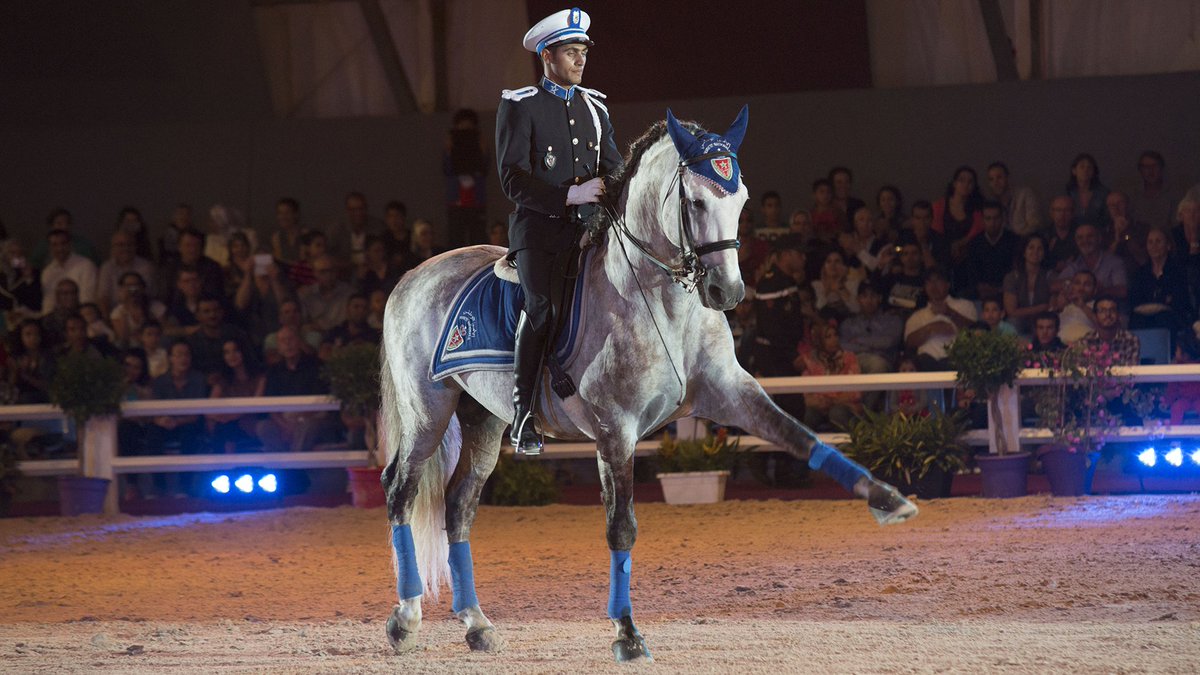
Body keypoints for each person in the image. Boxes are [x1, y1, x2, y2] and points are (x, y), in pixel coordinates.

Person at [496, 6, 621, 454]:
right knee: (542, 307)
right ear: (547, 56)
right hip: (539, 232)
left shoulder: (595, 107)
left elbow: (614, 171)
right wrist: (571, 194)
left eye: (583, 51)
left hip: (589, 233)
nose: (580, 60)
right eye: (571, 52)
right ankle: (523, 413)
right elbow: (513, 178)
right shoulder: (521, 104)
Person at [255, 326, 338, 452]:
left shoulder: (317, 366)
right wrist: (284, 425)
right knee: (263, 427)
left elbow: (321, 401)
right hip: (283, 419)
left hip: (311, 416)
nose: (288, 344)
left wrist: (298, 421)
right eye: (283, 341)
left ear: (299, 341)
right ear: (279, 347)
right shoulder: (273, 371)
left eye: (291, 339)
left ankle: (294, 469)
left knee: (308, 426)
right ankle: (285, 465)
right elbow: (270, 405)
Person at [903, 267, 977, 371]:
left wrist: (949, 312)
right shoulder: (917, 315)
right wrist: (930, 328)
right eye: (929, 282)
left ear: (948, 284)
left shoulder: (965, 305)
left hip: (957, 360)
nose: (933, 286)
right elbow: (909, 343)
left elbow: (974, 332)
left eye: (938, 280)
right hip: (925, 362)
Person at [1128, 227, 1194, 341]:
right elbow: (1134, 301)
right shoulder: (1141, 273)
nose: (1154, 246)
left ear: (1168, 246)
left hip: (1171, 319)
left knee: (1164, 319)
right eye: (1150, 242)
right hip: (1143, 319)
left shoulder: (1178, 272)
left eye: (1158, 241)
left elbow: (1180, 301)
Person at [795, 321, 862, 431]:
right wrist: (821, 402)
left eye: (835, 335)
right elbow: (807, 393)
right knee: (810, 415)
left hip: (846, 405)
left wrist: (832, 401)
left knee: (836, 413)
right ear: (820, 341)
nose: (834, 340)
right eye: (828, 337)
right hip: (821, 405)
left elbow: (856, 392)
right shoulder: (811, 361)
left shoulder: (849, 358)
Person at [207, 339, 266, 453]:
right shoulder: (222, 380)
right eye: (227, 352)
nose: (231, 356)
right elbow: (209, 409)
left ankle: (227, 465)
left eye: (235, 351)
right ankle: (223, 466)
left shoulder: (259, 377)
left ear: (244, 352)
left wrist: (232, 415)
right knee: (222, 426)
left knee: (226, 427)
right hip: (226, 422)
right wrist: (223, 417)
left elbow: (256, 405)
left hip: (250, 421)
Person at [444, 108, 490, 247]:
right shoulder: (452, 146)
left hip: (476, 201)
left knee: (478, 238)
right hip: (456, 201)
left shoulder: (479, 145)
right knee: (456, 240)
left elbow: (485, 170)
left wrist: (484, 150)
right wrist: (448, 150)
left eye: (469, 128)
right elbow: (447, 170)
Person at [960, 201, 1019, 300]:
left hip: (1006, 291)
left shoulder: (1014, 241)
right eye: (988, 218)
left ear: (1002, 219)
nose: (992, 223)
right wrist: (981, 287)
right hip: (981, 291)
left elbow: (1016, 271)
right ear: (982, 220)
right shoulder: (975, 243)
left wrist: (1000, 289)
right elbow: (971, 273)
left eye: (996, 218)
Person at [1056, 222, 1128, 300]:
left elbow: (1122, 290)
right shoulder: (1075, 264)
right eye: (1080, 238)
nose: (1085, 241)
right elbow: (1053, 286)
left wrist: (1098, 290)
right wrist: (1073, 282)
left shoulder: (1114, 262)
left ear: (1099, 238)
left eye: (1090, 236)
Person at [96, 230, 157, 315]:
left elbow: (145, 294)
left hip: (142, 311)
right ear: (113, 248)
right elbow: (103, 297)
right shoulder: (107, 267)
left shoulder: (145, 266)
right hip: (113, 313)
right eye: (120, 245)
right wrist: (107, 321)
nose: (125, 248)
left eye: (130, 244)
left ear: (136, 247)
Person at [931, 166, 985, 263]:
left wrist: (962, 243)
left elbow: (978, 231)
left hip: (970, 256)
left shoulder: (978, 208)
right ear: (954, 183)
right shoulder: (939, 206)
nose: (966, 185)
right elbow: (935, 232)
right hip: (942, 254)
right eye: (962, 180)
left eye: (970, 182)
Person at [1002, 234, 1053, 335]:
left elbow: (1052, 306)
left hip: (1042, 321)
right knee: (1012, 323)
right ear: (1024, 252)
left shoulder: (1050, 276)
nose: (1035, 252)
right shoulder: (1012, 277)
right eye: (1031, 247)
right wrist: (1040, 308)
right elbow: (1011, 311)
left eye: (1040, 248)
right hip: (1019, 321)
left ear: (1044, 253)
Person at [40, 229, 97, 313]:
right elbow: (49, 304)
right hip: (57, 319)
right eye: (54, 245)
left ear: (70, 244)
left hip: (81, 318)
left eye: (63, 243)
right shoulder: (47, 272)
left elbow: (87, 300)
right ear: (50, 248)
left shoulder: (86, 265)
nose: (59, 248)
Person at [1078, 295, 1140, 366]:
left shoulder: (1130, 340)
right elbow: (1082, 371)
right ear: (1095, 316)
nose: (1107, 314)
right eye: (1102, 311)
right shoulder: (1086, 341)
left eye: (1112, 310)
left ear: (1118, 315)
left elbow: (1132, 371)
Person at [985, 161, 1040, 236]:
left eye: (999, 177)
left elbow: (1034, 225)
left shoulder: (1024, 194)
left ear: (1007, 178)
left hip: (1025, 242)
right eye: (991, 179)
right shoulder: (991, 203)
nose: (995, 182)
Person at [1129, 151, 1179, 231]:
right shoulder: (1133, 196)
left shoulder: (1173, 195)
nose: (1150, 171)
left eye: (1154, 166)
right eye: (1145, 167)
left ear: (1162, 168)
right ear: (1140, 170)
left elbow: (1176, 225)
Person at [1066, 153, 1110, 231]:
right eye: (1082, 167)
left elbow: (1107, 216)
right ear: (1074, 171)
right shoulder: (1068, 193)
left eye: (1089, 167)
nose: (1085, 170)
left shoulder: (1103, 193)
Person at [1056, 269, 1099, 344]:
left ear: (1095, 290)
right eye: (1077, 283)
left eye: (1087, 284)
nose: (1081, 288)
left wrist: (1082, 305)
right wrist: (1058, 308)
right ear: (1072, 286)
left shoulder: (1098, 305)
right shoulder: (1064, 303)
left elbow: (1103, 324)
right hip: (1060, 347)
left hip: (1087, 348)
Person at [269, 198, 304, 266]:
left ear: (296, 214)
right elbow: (279, 261)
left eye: (287, 213)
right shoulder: (277, 237)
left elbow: (304, 262)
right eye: (280, 213)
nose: (283, 217)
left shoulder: (306, 235)